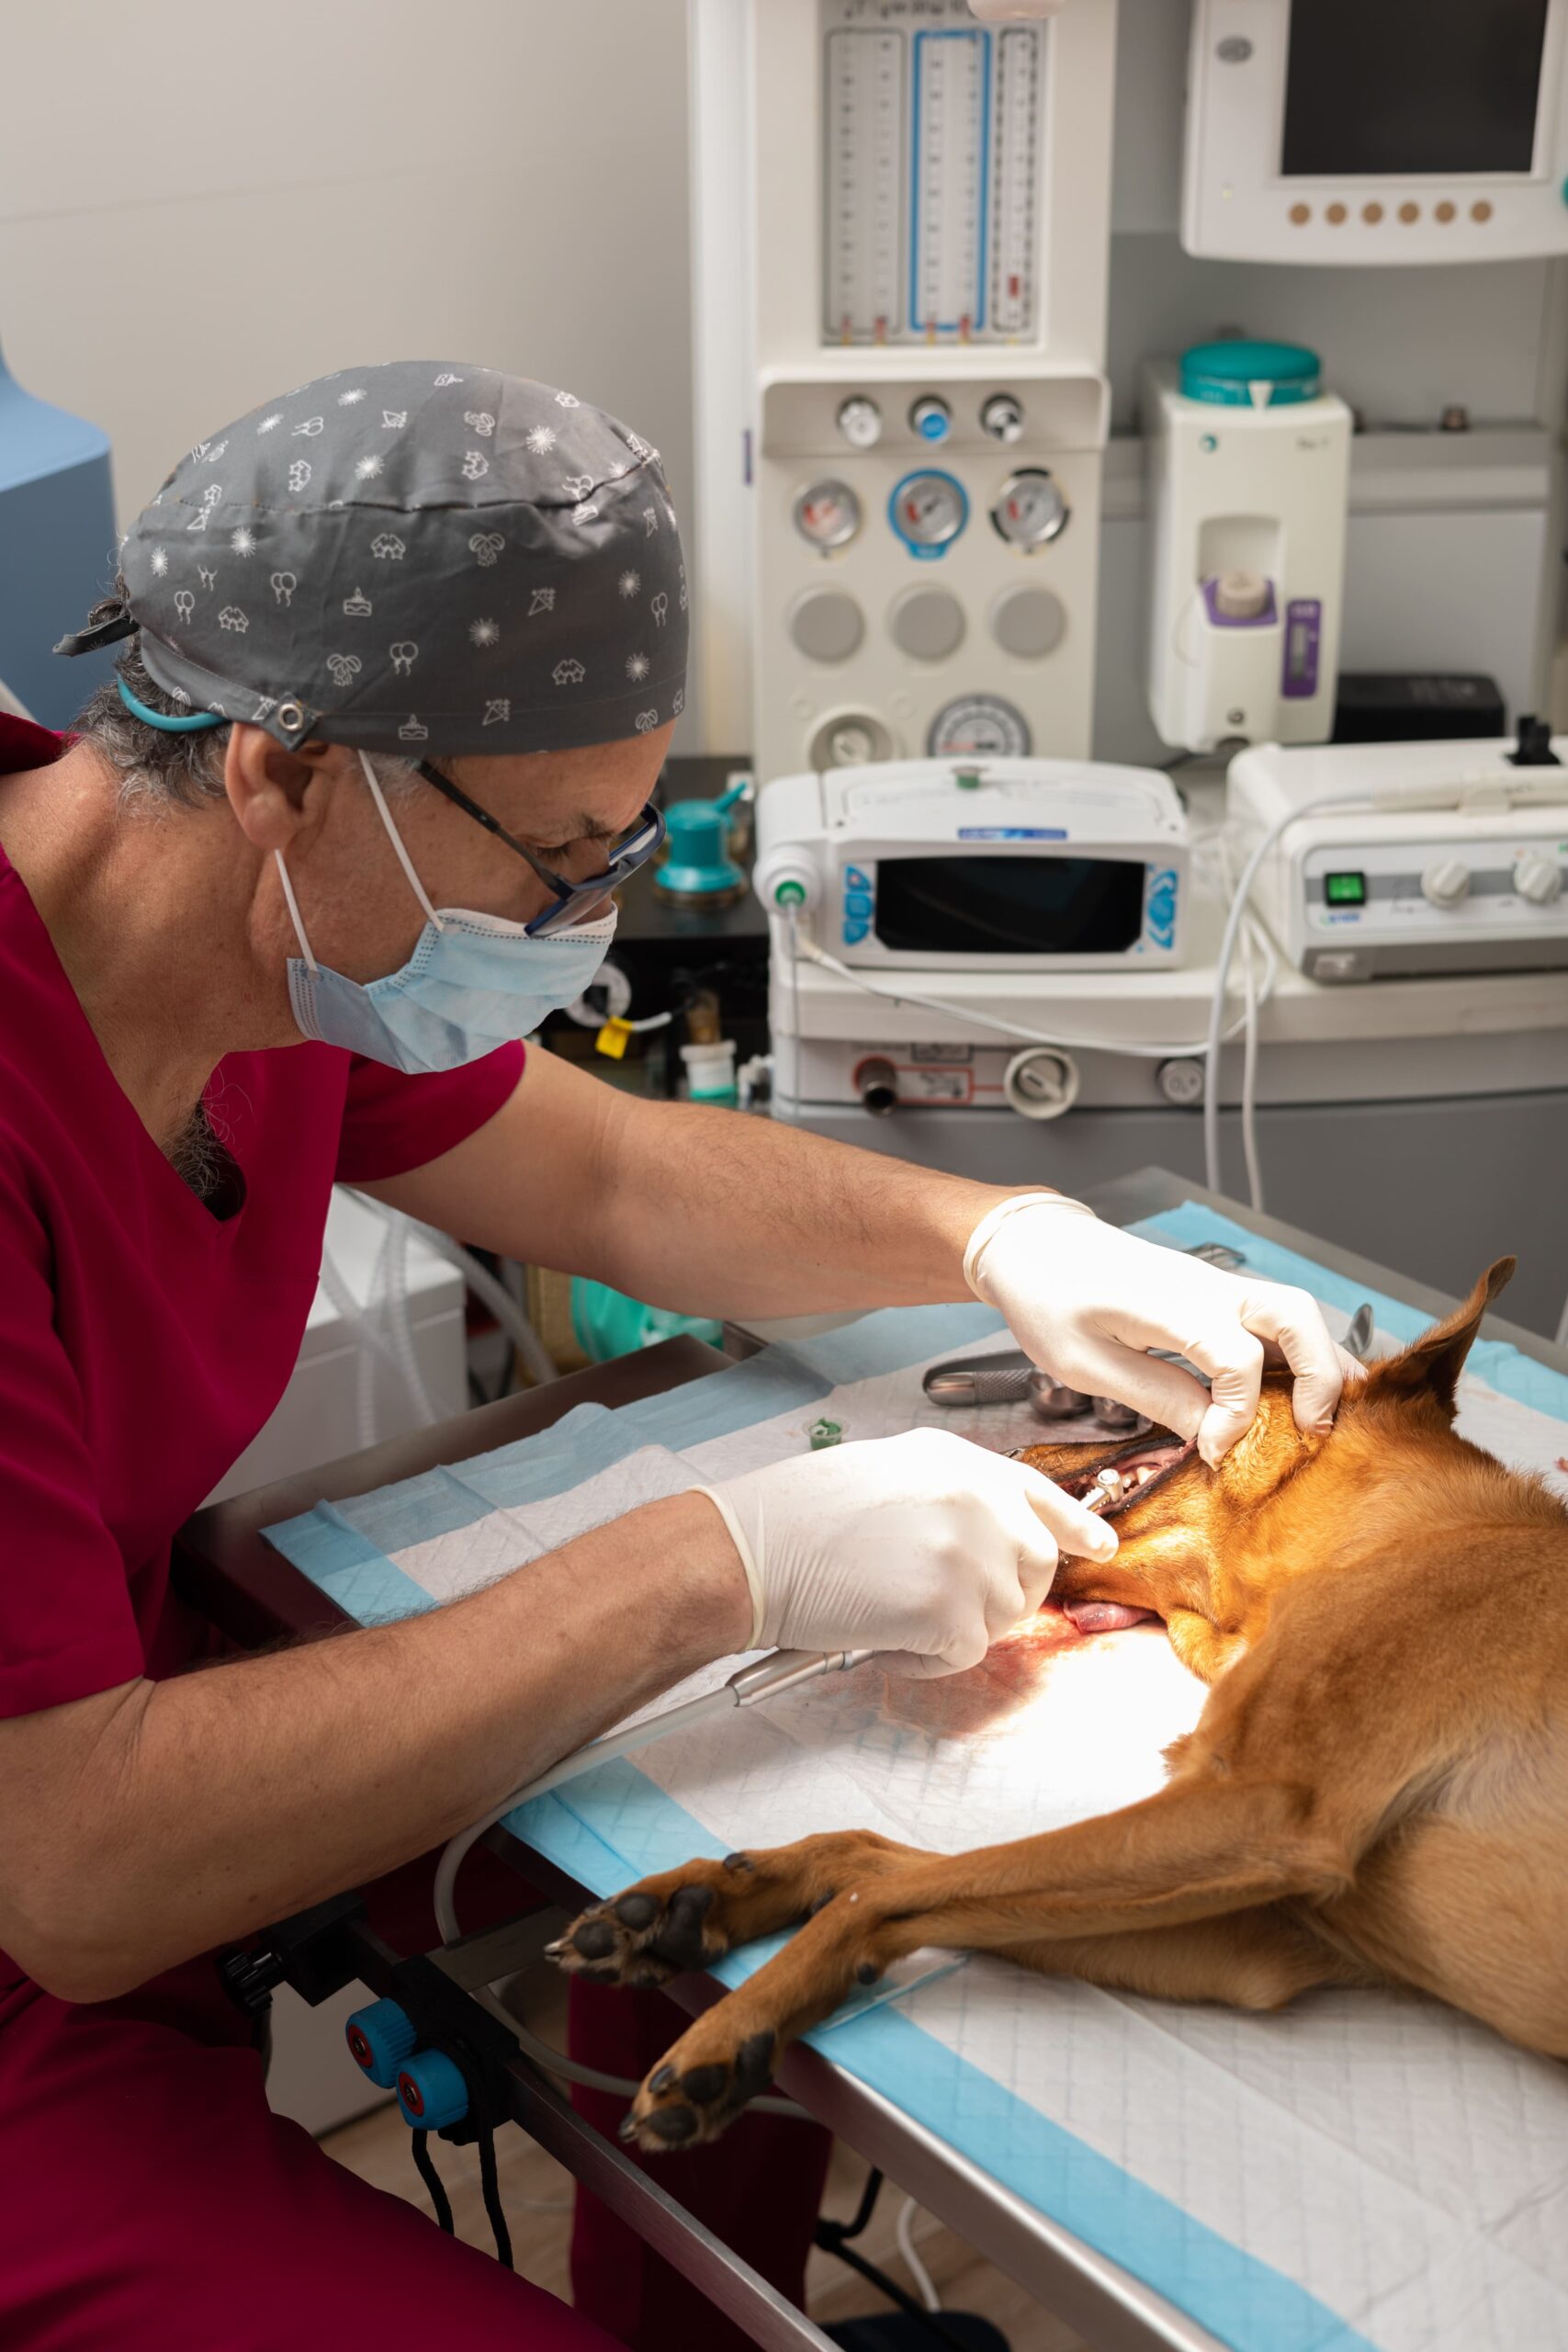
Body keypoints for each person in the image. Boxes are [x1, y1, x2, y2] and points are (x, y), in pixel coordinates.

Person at [0, 362, 1349, 2350]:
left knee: (722, 1824)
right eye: (559, 859)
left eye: (623, 851)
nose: (586, 922)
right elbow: (76, 1870)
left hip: (101, 1799)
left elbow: (614, 1173)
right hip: (47, 1935)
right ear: (285, 771)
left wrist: (998, 1239)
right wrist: (718, 1565)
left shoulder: (254, 948)